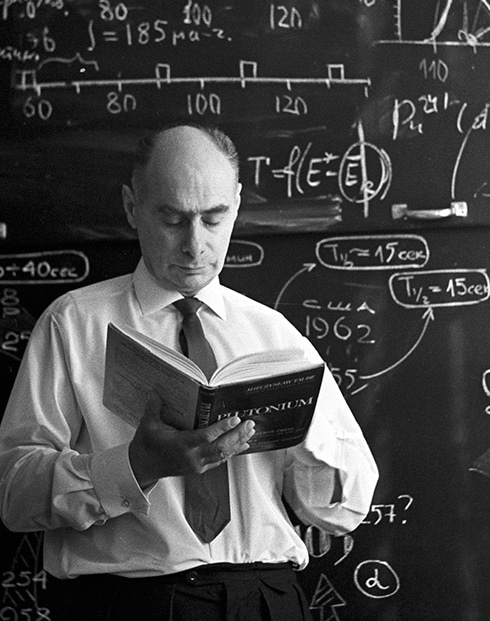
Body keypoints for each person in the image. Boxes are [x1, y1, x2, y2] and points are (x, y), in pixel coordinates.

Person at [0, 123, 378, 620]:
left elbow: (343, 511)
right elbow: (14, 493)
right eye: (173, 219)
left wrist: (309, 434)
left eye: (214, 218)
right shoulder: (72, 324)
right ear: (132, 207)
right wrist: (135, 467)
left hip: (266, 599)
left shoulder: (277, 337)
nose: (195, 245)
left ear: (237, 205)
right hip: (130, 605)